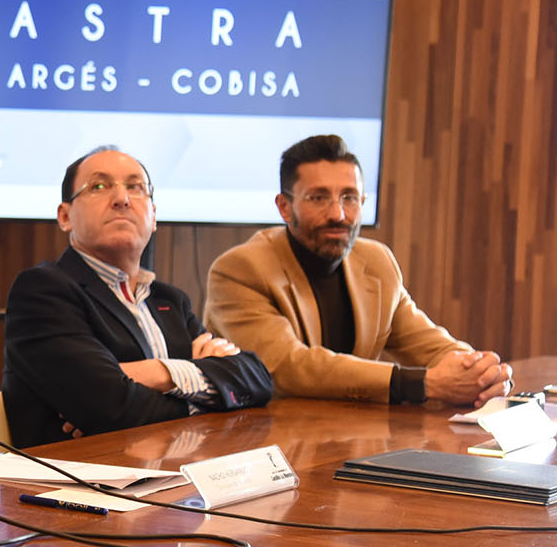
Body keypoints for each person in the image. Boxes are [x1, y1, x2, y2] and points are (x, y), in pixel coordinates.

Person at [204, 134, 511, 406]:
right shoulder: (240, 269)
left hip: (353, 437)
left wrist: (481, 372)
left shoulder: (377, 261)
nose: (338, 214)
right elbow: (287, 367)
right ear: (284, 207)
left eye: (349, 197)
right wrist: (424, 384)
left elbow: (427, 342)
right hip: (264, 444)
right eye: (318, 198)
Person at [2, 147, 273, 448]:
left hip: (172, 479)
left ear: (154, 216)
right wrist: (207, 396)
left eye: (136, 187)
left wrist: (157, 373)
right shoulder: (42, 291)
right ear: (65, 216)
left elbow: (258, 380)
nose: (122, 199)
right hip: (76, 485)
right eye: (99, 187)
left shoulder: (170, 301)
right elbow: (108, 406)